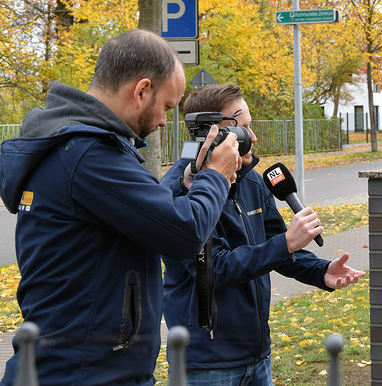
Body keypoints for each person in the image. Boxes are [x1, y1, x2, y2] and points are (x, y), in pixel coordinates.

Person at [0, 30, 241, 386]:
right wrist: (217, 176)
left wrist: (189, 186)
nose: (163, 121)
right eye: (167, 107)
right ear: (141, 90)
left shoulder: (79, 148)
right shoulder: (89, 155)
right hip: (85, 373)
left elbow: (148, 218)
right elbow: (185, 233)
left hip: (81, 366)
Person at [161, 83, 365, 386]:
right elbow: (215, 269)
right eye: (243, 130)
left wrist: (321, 271)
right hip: (208, 364)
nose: (253, 138)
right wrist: (285, 243)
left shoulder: (253, 181)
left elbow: (278, 250)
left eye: (251, 128)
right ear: (211, 134)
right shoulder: (180, 192)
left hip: (258, 356)